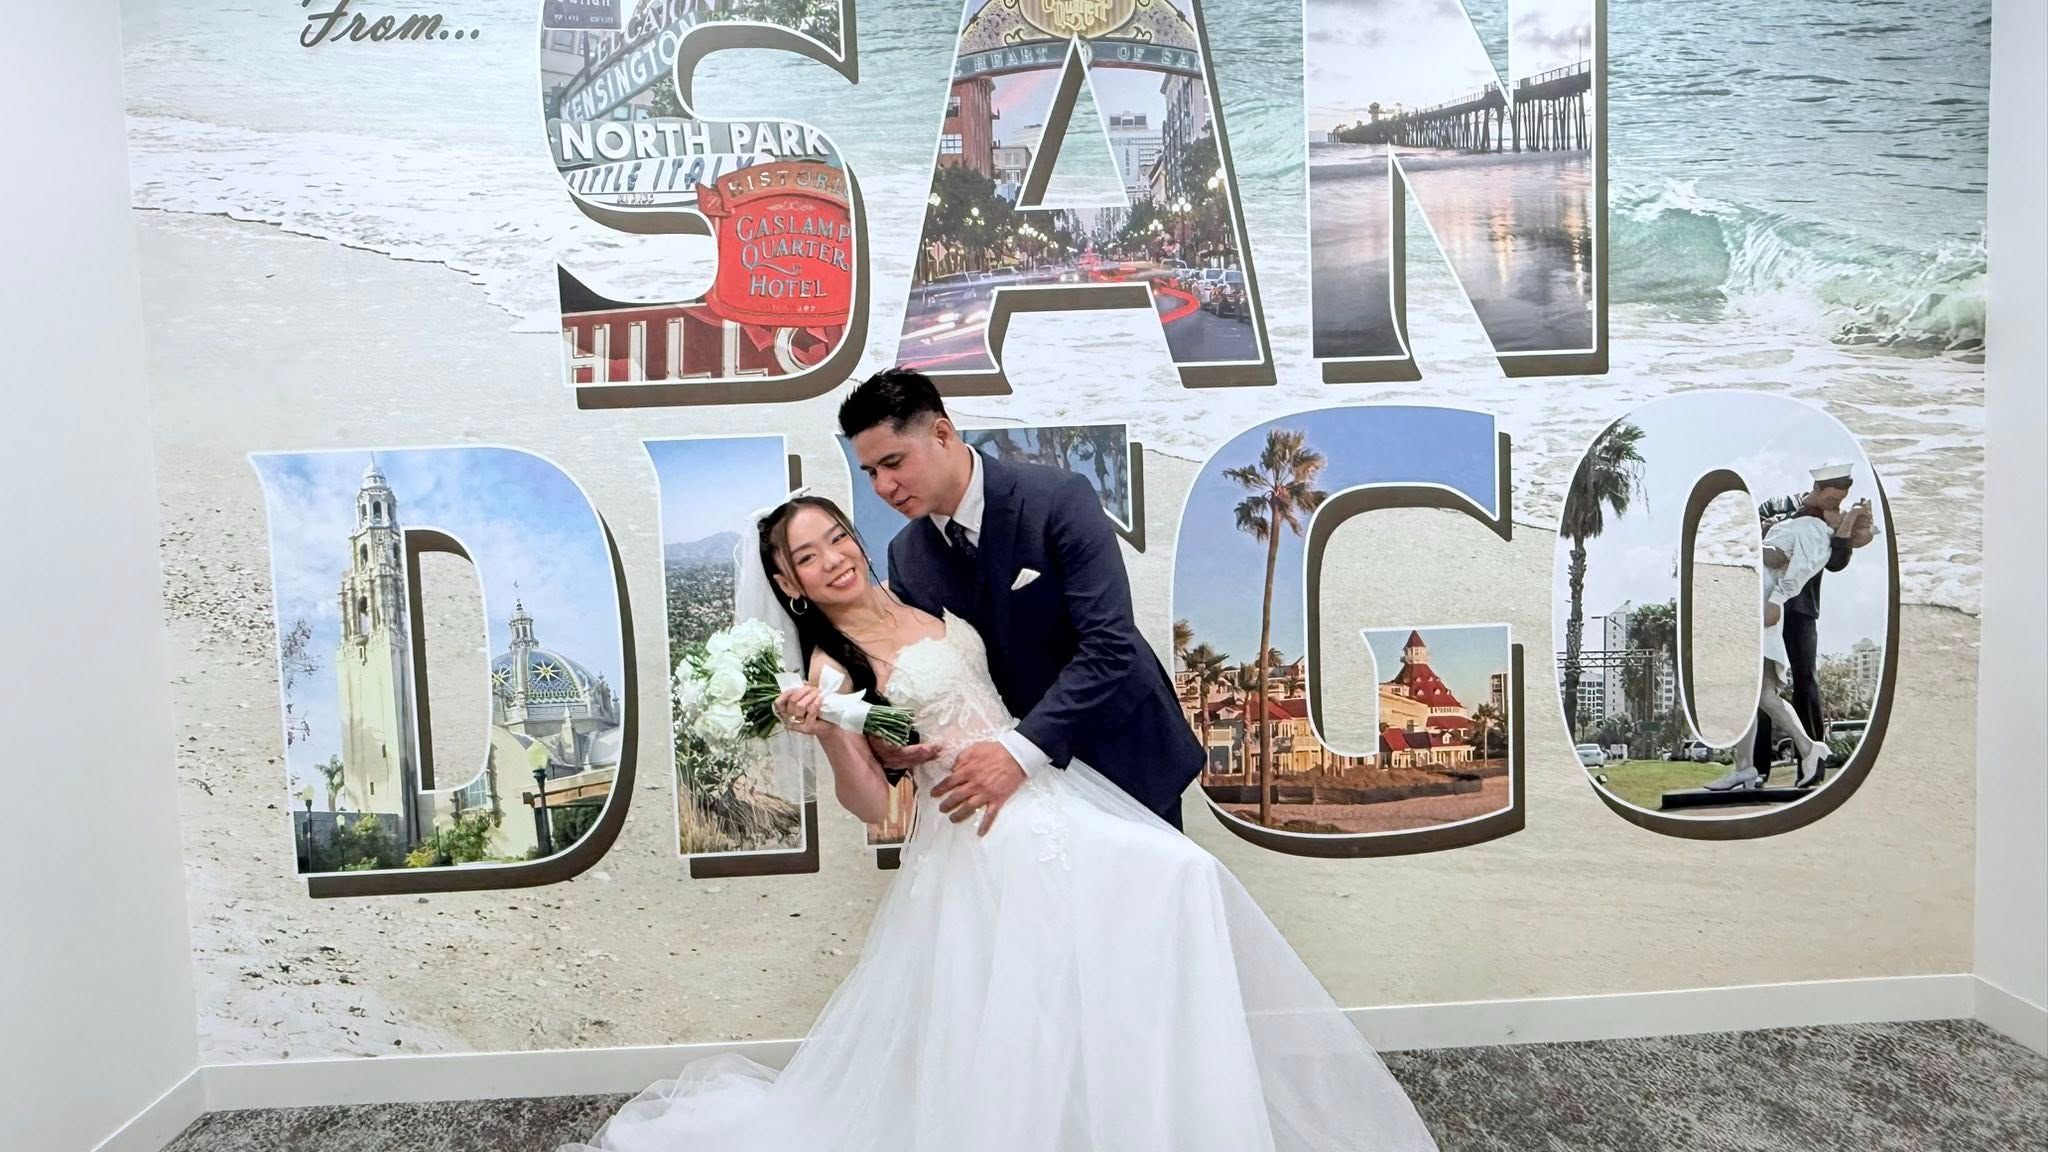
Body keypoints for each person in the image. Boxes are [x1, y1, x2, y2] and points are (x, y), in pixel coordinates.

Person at [562, 494, 1439, 1151]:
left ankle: (1144, 1116)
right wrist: (830, 732)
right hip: (981, 828)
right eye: (807, 556)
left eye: (837, 536)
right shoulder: (832, 670)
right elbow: (872, 806)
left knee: (1162, 897)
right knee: (1107, 935)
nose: (832, 558)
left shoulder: (921, 591)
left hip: (1050, 786)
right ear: (789, 583)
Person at [840, 367, 1203, 832]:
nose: (882, 487)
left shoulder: (1058, 498)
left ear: (942, 434)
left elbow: (1110, 645)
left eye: (893, 463)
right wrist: (896, 743)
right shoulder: (906, 555)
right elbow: (943, 671)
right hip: (1020, 799)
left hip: (1123, 750)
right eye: (871, 472)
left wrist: (1019, 752)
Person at [1747, 465, 1873, 779]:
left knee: (1806, 680)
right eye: (1831, 499)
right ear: (1817, 488)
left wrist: (1848, 526)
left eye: (1840, 501)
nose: (1836, 505)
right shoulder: (1777, 506)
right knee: (1761, 684)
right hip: (1765, 602)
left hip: (1802, 607)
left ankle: (1814, 761)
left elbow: (1837, 562)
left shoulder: (1835, 519)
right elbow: (1752, 542)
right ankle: (1757, 769)